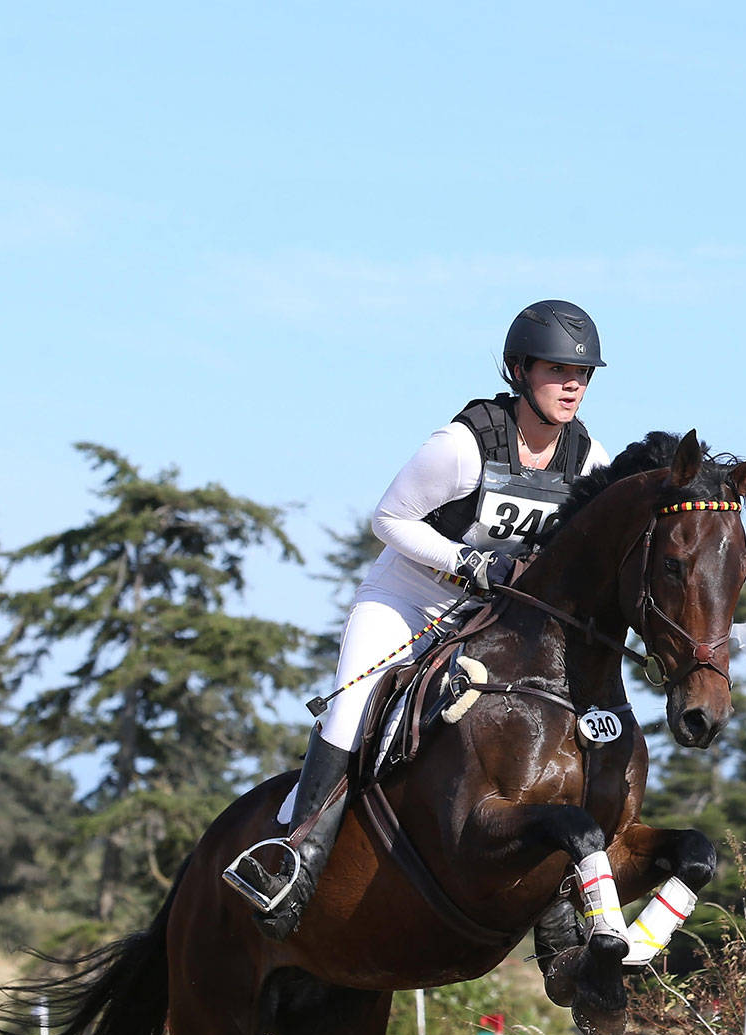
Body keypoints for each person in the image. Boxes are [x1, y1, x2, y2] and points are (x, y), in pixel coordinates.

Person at [224, 300, 613, 939]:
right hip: (405, 603)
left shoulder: (587, 457)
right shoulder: (462, 446)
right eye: (556, 370)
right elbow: (388, 519)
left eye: (583, 373)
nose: (573, 384)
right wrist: (470, 562)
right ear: (520, 370)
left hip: (488, 620)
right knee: (351, 710)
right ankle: (293, 857)